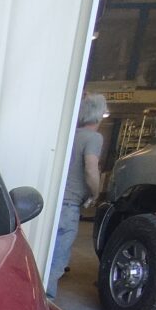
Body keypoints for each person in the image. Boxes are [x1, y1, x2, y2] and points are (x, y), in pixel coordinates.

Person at [45, 92, 107, 299]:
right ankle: (47, 301)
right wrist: (96, 193)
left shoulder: (69, 135)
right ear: (99, 116)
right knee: (58, 259)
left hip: (52, 202)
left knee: (44, 253)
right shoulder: (94, 138)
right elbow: (91, 168)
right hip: (68, 205)